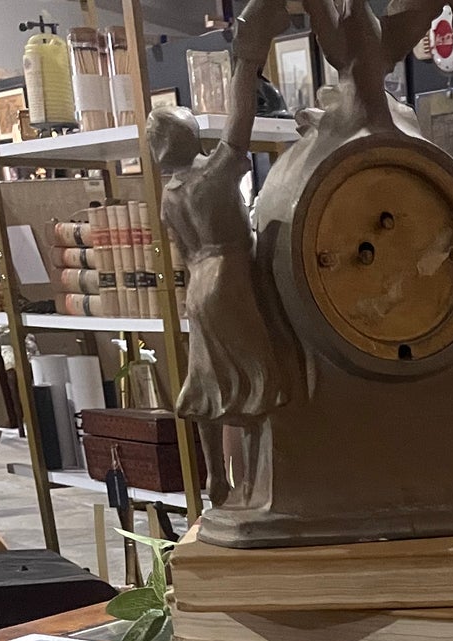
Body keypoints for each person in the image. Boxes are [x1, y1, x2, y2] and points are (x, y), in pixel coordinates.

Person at [147, 0, 298, 505]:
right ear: (189, 138)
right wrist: (247, 59)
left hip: (199, 284)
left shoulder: (170, 196)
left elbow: (180, 254)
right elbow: (242, 117)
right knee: (255, 385)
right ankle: (260, 483)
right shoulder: (214, 175)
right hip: (232, 276)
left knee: (208, 383)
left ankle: (216, 479)